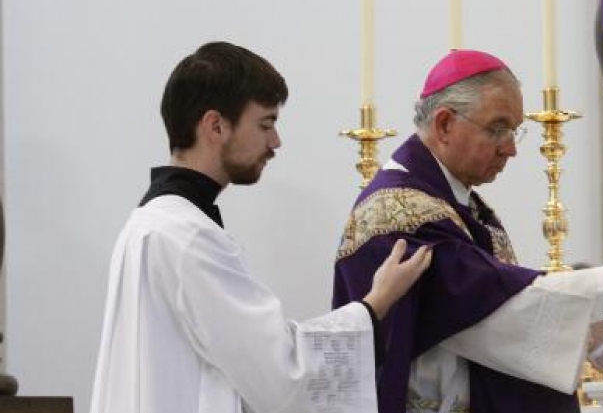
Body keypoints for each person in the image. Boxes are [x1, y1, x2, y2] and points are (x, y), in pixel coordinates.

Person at [333, 49, 603, 413]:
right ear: (444, 125)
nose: (511, 149)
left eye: (515, 131)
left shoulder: (459, 207)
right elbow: (489, 310)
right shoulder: (402, 215)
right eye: (497, 128)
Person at [90, 41, 432, 413]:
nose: (275, 142)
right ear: (215, 125)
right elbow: (283, 375)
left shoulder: (150, 223)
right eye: (265, 124)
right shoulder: (186, 236)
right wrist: (375, 303)